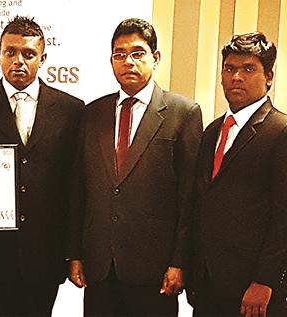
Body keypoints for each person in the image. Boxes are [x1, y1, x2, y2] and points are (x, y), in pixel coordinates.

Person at [65, 18, 202, 316]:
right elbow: (80, 189)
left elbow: (189, 197)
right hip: (100, 266)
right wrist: (74, 254)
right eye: (119, 54)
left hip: (154, 269)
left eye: (137, 53)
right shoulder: (92, 113)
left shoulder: (183, 113)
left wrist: (179, 261)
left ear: (155, 58)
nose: (128, 61)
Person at [0, 16, 84, 316]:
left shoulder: (72, 110)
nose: (19, 61)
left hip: (45, 255)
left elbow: (75, 185)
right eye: (10, 52)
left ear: (43, 58)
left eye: (28, 54)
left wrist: (73, 251)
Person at [188, 32, 287, 317]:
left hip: (253, 291)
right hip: (207, 285)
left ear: (269, 76)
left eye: (248, 69)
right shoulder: (212, 132)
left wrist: (265, 280)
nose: (236, 77)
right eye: (230, 69)